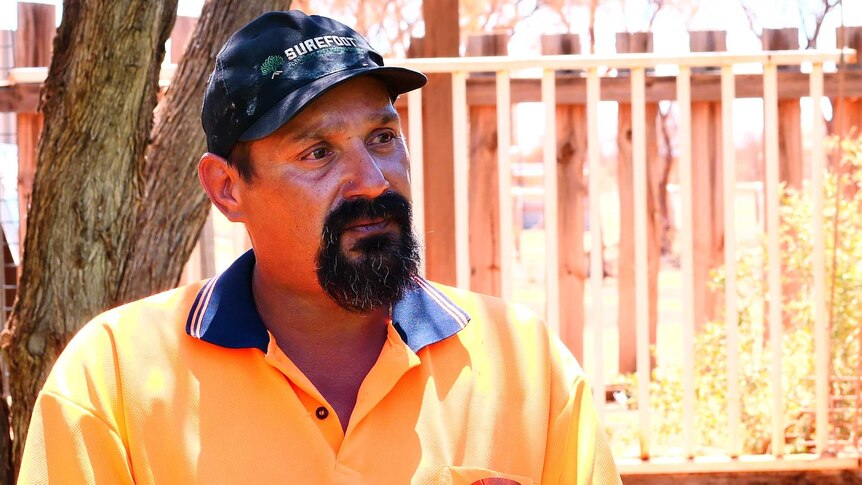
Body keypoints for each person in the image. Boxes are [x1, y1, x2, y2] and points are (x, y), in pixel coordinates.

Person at [18, 11, 620, 484]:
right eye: (318, 153)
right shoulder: (115, 378)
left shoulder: (527, 368)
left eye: (383, 137)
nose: (373, 180)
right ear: (227, 188)